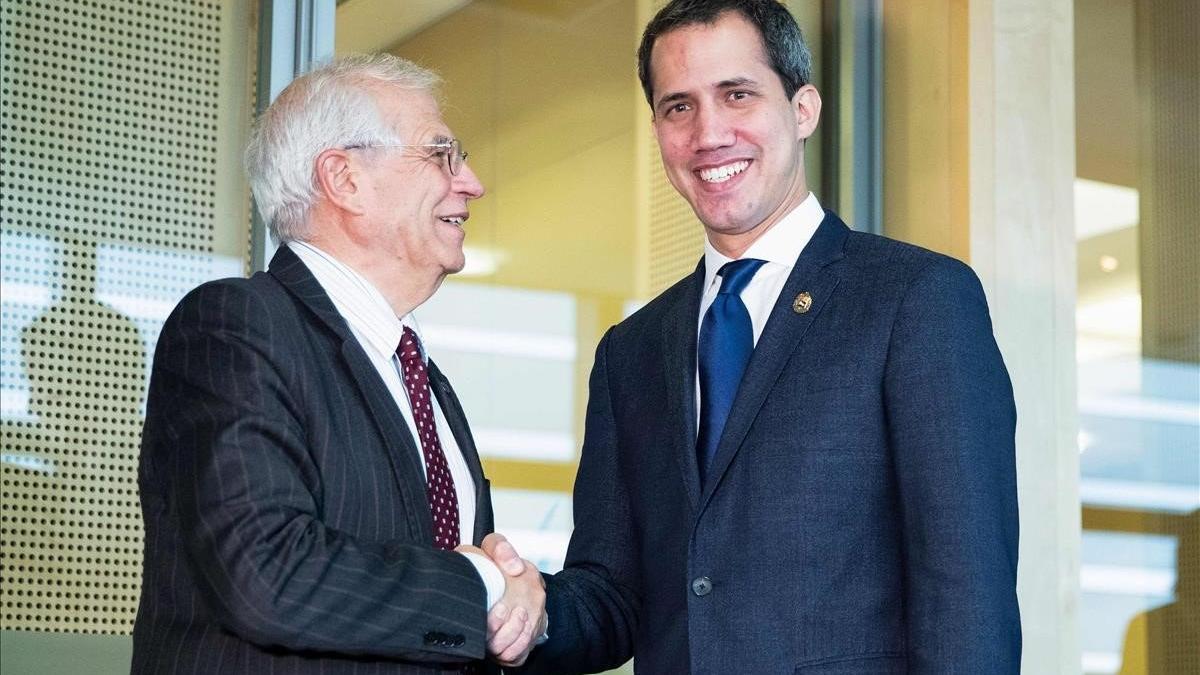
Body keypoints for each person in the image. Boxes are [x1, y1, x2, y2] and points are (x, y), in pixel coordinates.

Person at [497, 1, 1021, 672]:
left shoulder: (914, 299)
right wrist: (522, 607)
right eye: (677, 107)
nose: (709, 133)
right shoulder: (630, 351)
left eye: (737, 95)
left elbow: (966, 594)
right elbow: (614, 596)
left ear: (803, 109)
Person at [132, 54, 545, 673]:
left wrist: (519, 601)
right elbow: (268, 574)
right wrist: (483, 582)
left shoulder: (421, 376)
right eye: (441, 154)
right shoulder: (235, 326)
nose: (472, 182)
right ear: (344, 179)